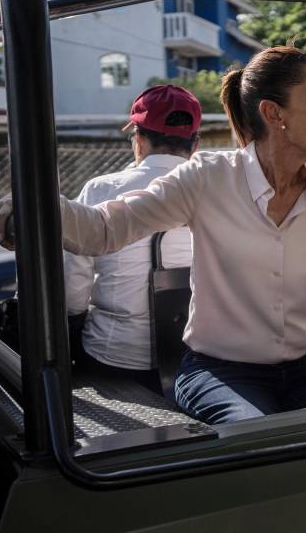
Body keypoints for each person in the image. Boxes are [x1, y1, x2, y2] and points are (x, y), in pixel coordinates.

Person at [0, 45, 306, 425]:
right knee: (254, 448)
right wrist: (30, 208)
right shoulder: (208, 176)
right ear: (274, 114)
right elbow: (103, 229)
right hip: (217, 371)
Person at [64, 85, 200, 394]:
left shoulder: (100, 189)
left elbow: (74, 286)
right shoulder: (214, 191)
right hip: (195, 361)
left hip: (111, 356)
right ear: (195, 144)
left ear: (138, 139)